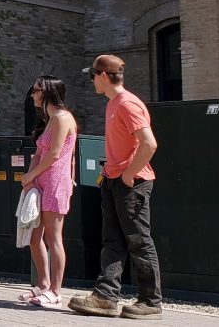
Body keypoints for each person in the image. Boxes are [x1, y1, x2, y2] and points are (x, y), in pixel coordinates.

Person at [68, 55, 162, 320]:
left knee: (139, 241)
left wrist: (129, 175)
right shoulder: (113, 104)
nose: (91, 81)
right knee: (113, 241)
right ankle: (106, 297)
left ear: (103, 76)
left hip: (131, 183)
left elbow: (149, 143)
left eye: (92, 76)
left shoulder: (127, 104)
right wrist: (111, 175)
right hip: (115, 180)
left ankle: (150, 302)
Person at [19, 75, 78, 309]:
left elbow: (54, 154)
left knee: (54, 237)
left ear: (47, 92)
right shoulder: (50, 119)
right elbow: (38, 154)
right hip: (40, 182)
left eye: (35, 90)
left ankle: (55, 291)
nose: (32, 94)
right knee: (35, 237)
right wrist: (29, 178)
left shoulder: (63, 118)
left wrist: (31, 176)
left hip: (55, 182)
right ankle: (43, 284)